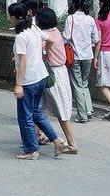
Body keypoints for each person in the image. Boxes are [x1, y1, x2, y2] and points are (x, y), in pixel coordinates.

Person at [6, 2, 67, 160]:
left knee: (25, 116)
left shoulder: (21, 36)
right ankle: (57, 140)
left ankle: (31, 150)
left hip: (29, 80)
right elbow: (50, 40)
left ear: (13, 17)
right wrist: (43, 53)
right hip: (41, 76)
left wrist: (18, 85)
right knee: (36, 113)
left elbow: (23, 61)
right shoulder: (33, 28)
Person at [36, 8, 78, 154]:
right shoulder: (56, 32)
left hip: (53, 73)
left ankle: (72, 144)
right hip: (60, 71)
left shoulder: (46, 36)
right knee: (40, 107)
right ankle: (39, 135)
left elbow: (38, 51)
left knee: (61, 111)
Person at [63, 0, 99, 123]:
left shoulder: (70, 19)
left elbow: (66, 36)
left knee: (77, 85)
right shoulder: (90, 19)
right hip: (88, 55)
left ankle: (82, 114)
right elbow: (96, 39)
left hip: (75, 56)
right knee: (84, 83)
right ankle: (88, 110)